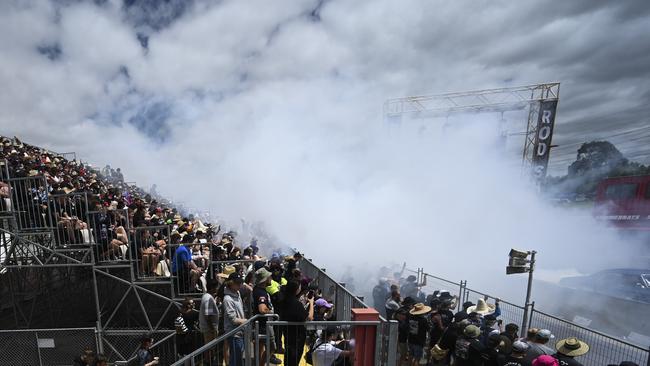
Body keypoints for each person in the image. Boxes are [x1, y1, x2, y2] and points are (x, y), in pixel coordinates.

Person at [252, 267, 283, 365]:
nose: (271, 279)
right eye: (270, 277)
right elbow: (262, 309)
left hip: (260, 324)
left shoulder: (256, 289)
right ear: (265, 279)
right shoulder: (261, 293)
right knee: (272, 347)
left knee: (260, 346)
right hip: (264, 325)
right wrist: (272, 312)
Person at [280, 280, 314, 366]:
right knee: (294, 360)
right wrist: (311, 303)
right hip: (297, 337)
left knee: (288, 359)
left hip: (288, 335)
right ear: (296, 289)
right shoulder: (296, 304)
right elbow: (309, 317)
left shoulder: (284, 300)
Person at [223, 272, 247, 366]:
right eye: (237, 283)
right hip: (234, 333)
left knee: (238, 358)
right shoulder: (227, 299)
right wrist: (246, 321)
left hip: (240, 331)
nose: (239, 285)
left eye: (240, 282)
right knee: (235, 360)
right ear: (230, 283)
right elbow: (233, 319)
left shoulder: (237, 294)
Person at [199, 279, 220, 363]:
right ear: (212, 288)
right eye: (216, 287)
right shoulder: (209, 299)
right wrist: (212, 329)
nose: (217, 289)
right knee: (210, 348)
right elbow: (208, 315)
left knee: (209, 348)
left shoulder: (207, 296)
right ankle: (209, 362)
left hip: (208, 328)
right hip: (209, 329)